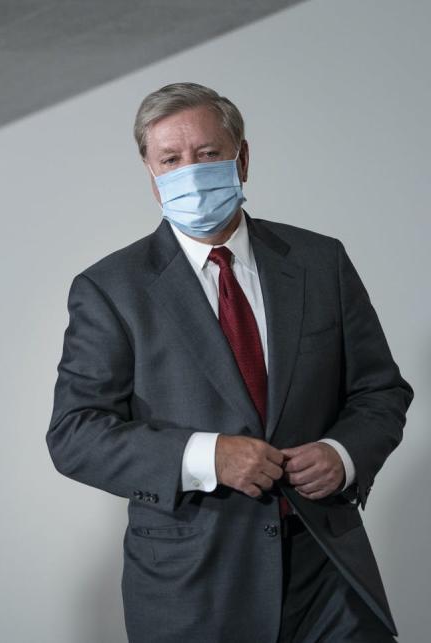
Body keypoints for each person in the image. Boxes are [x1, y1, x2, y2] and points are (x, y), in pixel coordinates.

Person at [47, 83, 412, 642]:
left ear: (242, 157)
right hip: (194, 585)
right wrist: (206, 456)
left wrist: (344, 454)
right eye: (171, 159)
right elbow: (74, 435)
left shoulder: (320, 261)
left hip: (329, 575)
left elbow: (379, 391)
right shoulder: (110, 289)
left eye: (208, 154)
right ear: (151, 173)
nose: (189, 171)